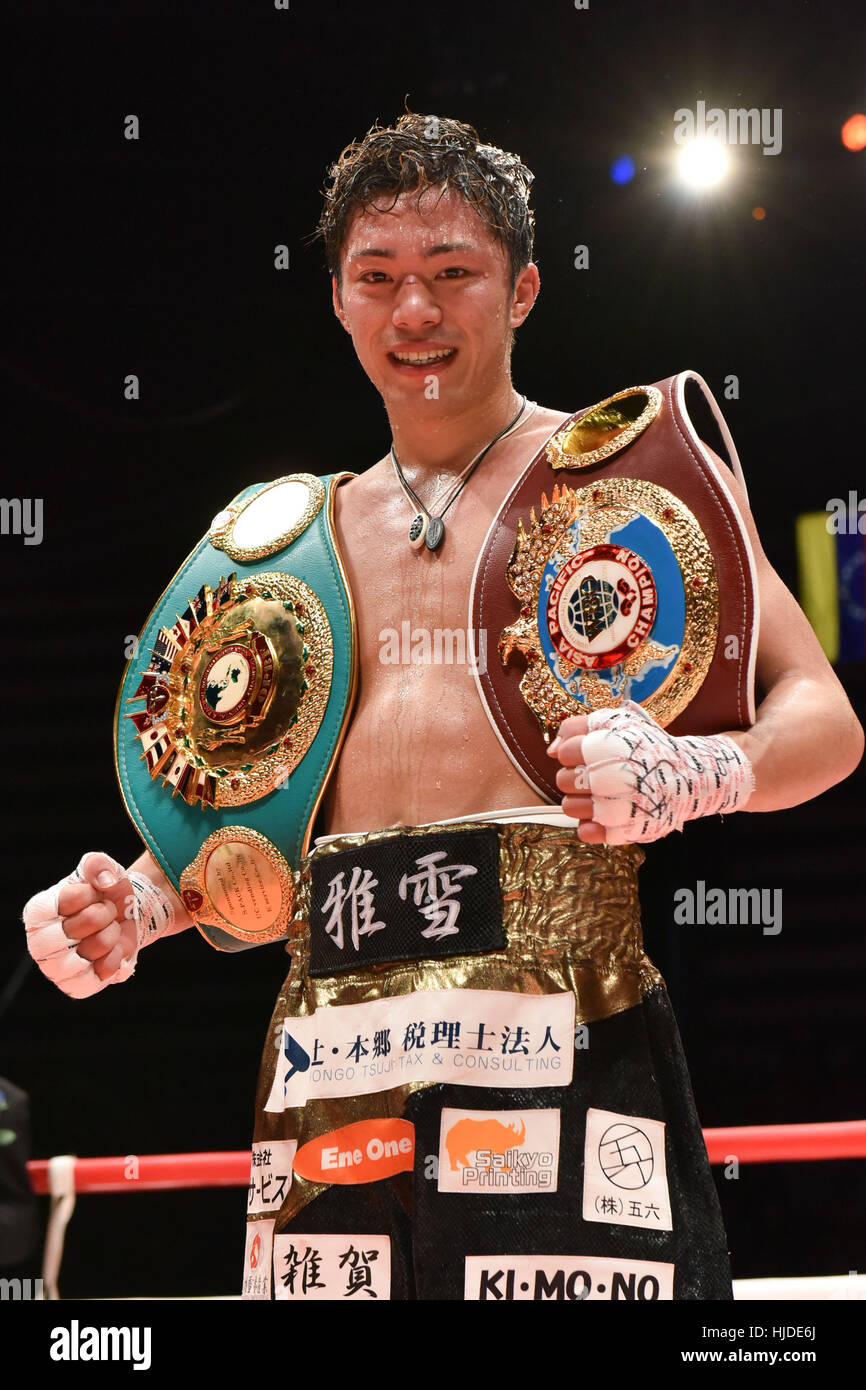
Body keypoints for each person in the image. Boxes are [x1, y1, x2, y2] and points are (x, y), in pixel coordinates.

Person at [22, 113, 863, 1301]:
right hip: (333, 1057)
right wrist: (149, 905)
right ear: (337, 301)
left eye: (451, 273)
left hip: (562, 1026)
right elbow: (272, 858)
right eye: (378, 278)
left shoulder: (631, 481)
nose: (413, 310)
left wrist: (697, 775)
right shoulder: (283, 549)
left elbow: (822, 718)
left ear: (520, 290)